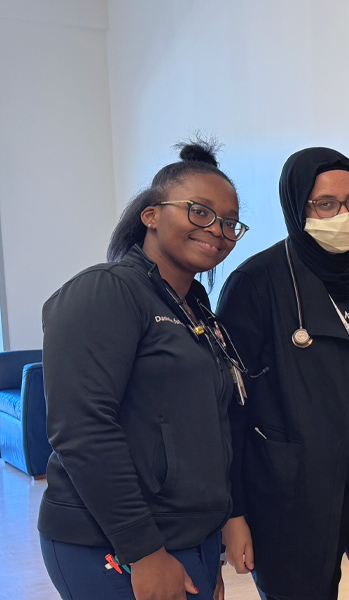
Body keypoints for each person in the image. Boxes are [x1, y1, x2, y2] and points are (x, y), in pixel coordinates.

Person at [40, 141, 249, 600]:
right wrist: (144, 552)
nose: (218, 230)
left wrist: (222, 523)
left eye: (230, 222)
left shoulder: (196, 307)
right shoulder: (105, 292)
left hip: (190, 534)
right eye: (200, 212)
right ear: (151, 215)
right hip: (111, 542)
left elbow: (213, 426)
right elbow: (82, 429)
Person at [216, 147, 349, 599]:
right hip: (295, 494)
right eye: (325, 204)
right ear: (297, 207)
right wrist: (234, 513)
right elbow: (228, 409)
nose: (344, 215)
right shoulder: (256, 285)